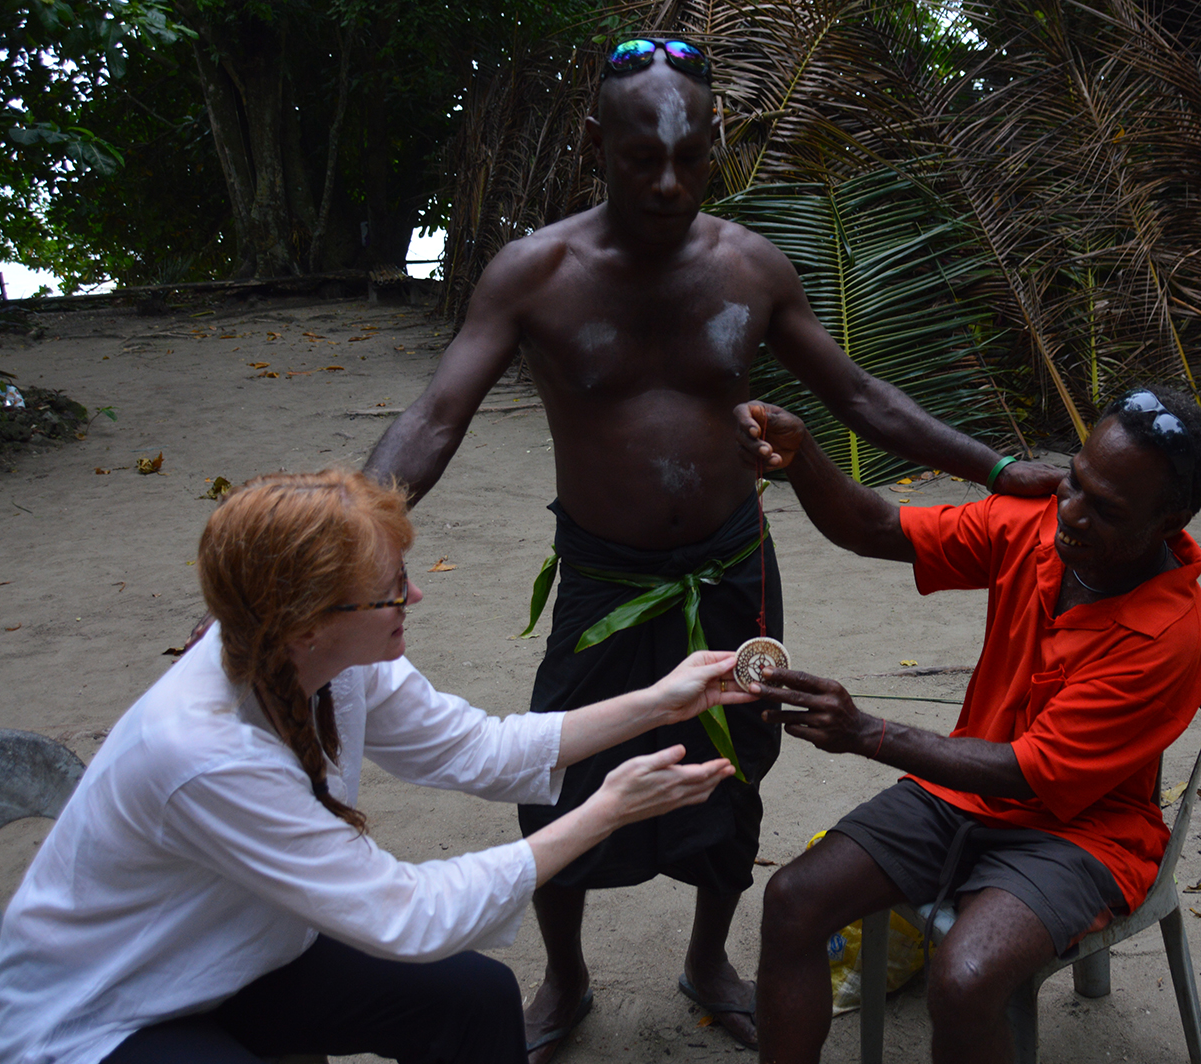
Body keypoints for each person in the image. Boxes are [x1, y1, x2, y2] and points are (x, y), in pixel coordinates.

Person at [361, 36, 1060, 1056]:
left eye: (691, 158)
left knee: (735, 763)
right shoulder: (533, 272)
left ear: (716, 147)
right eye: (642, 157)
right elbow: (434, 417)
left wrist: (997, 469)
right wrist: (343, 534)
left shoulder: (749, 265)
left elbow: (857, 395)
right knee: (562, 763)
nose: (668, 181)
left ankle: (707, 953)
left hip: (733, 565)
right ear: (595, 142)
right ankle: (566, 970)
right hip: (605, 574)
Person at [0, 469, 753, 1064]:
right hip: (107, 1009)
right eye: (391, 593)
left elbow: (479, 749)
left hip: (238, 954)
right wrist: (605, 812)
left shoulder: (334, 663)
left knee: (473, 998)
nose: (414, 594)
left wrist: (659, 700)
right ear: (307, 622)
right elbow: (407, 917)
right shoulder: (205, 752)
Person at [740, 386, 1201, 1064]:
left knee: (966, 979)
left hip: (1081, 832)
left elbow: (1030, 776)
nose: (1072, 517)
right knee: (793, 900)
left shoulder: (1168, 637)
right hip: (960, 786)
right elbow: (877, 528)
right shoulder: (1041, 525)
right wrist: (803, 455)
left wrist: (868, 733)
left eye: (1106, 509)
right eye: (1074, 483)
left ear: (1169, 520)